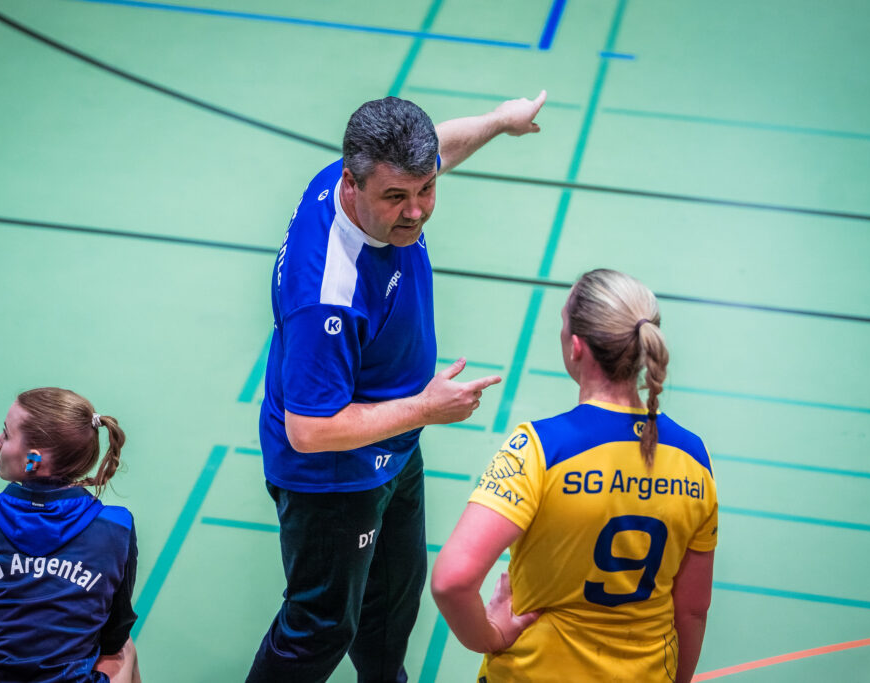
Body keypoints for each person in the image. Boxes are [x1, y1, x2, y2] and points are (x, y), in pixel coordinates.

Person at [249, 92, 547, 683]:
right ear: (352, 184)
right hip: (334, 477)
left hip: (394, 446)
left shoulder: (368, 174)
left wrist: (497, 121)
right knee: (319, 627)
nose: (415, 212)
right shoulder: (327, 296)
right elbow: (309, 431)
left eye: (426, 190)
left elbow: (439, 148)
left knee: (392, 604)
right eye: (396, 198)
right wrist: (425, 409)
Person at [431, 269, 718, 683]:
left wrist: (489, 636)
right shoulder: (693, 457)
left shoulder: (540, 448)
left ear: (577, 346)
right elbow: (692, 610)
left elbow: (451, 581)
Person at [0, 387, 141, 683]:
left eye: (6, 434)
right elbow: (115, 629)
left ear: (33, 460)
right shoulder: (116, 526)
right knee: (125, 648)